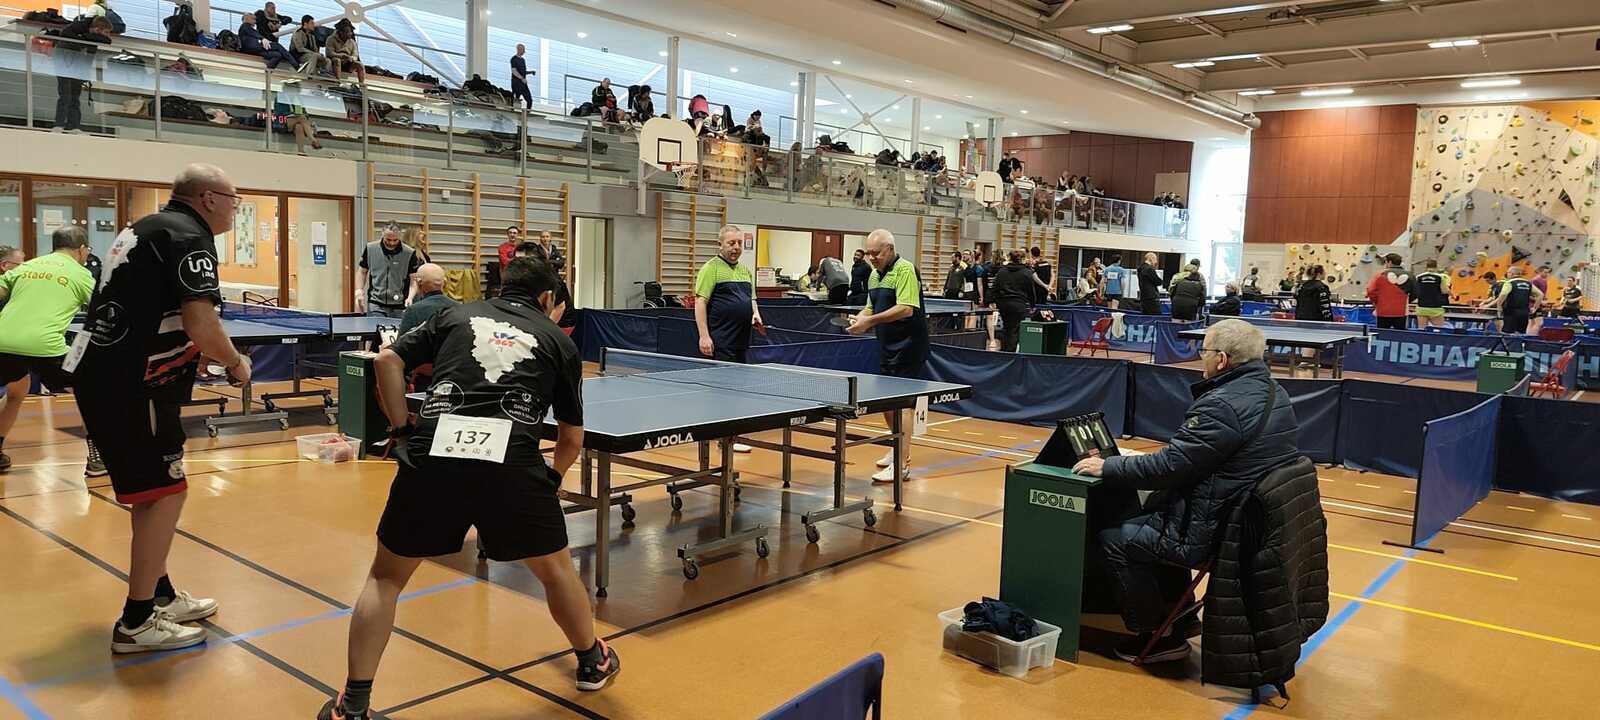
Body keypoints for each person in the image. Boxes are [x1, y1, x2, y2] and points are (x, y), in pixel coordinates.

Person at [319, 257, 618, 720]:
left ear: (503, 287)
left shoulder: (454, 315)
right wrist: (551, 481)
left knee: (385, 579)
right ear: (547, 299)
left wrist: (401, 430)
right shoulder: (558, 340)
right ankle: (592, 660)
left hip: (434, 453)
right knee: (556, 571)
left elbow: (387, 360)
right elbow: (571, 438)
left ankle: (353, 705)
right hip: (513, 465)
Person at [68, 163, 251, 654]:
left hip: (107, 373)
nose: (236, 208)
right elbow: (201, 323)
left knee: (154, 494)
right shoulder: (190, 237)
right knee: (166, 494)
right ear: (208, 198)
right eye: (234, 198)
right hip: (135, 383)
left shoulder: (147, 226)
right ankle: (137, 619)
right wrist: (236, 363)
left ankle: (160, 595)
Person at [1073, 319, 1299, 663]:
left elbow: (1169, 467)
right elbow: (1192, 458)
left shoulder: (1222, 404)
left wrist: (1109, 466)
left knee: (1116, 538)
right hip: (1248, 519)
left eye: (1204, 350)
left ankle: (1157, 635)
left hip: (1218, 528)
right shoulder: (1273, 391)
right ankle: (1180, 614)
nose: (1201, 356)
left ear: (1221, 359)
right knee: (1151, 516)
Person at [0, 227, 94, 474]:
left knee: (17, 390)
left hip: (3, 340)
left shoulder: (26, 267)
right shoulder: (81, 274)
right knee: (92, 391)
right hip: (45, 346)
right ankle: (99, 457)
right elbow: (102, 309)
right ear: (82, 249)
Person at [847, 230, 927, 483]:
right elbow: (871, 307)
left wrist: (870, 322)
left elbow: (905, 309)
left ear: (890, 249)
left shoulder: (905, 270)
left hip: (909, 346)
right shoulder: (874, 275)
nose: (872, 258)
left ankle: (902, 463)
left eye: (876, 253)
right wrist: (861, 318)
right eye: (869, 253)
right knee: (887, 402)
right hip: (886, 345)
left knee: (903, 404)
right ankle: (897, 447)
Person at [693, 225, 763, 363]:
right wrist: (704, 337)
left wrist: (755, 313)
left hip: (742, 341)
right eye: (731, 243)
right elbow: (700, 302)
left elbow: (752, 299)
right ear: (720, 245)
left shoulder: (745, 270)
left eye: (739, 243)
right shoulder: (710, 268)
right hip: (721, 342)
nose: (736, 247)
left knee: (740, 376)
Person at [53, 15, 112, 133]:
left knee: (75, 97)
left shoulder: (94, 38)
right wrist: (86, 38)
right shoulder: (80, 26)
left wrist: (85, 73)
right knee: (65, 95)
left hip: (77, 64)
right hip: (64, 61)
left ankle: (74, 125)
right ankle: (59, 124)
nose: (107, 35)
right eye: (106, 32)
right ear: (97, 29)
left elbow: (91, 55)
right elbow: (65, 34)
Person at [358, 225, 422, 319]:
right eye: (388, 240)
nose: (391, 243)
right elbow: (362, 271)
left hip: (399, 305)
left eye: (395, 240)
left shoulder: (409, 252)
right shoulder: (370, 248)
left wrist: (410, 297)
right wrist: (359, 290)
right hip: (376, 303)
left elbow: (414, 279)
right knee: (376, 327)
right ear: (382, 235)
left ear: (400, 237)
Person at [992, 250, 1050, 352]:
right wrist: (1032, 305)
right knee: (1015, 329)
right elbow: (1031, 291)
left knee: (1007, 327)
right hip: (1019, 304)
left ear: (1010, 258)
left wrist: (996, 302)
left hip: (1004, 304)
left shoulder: (1002, 271)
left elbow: (995, 288)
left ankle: (1005, 351)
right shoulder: (1026, 272)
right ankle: (1010, 352)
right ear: (1022, 259)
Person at [397, 263, 455, 336]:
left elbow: (402, 341)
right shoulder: (458, 307)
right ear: (444, 283)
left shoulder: (414, 311)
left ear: (419, 283)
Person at [1366, 253, 1412, 330]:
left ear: (1389, 262)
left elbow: (1370, 291)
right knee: (1400, 335)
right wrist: (1405, 301)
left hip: (1383, 311)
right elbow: (1415, 292)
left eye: (1385, 262)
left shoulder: (1379, 274)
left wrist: (1376, 302)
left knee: (1382, 334)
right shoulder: (1410, 275)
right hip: (1401, 312)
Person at [1492, 265, 1543, 335]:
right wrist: (1535, 307)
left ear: (1512, 273)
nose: (1507, 274)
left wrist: (1499, 306)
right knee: (1520, 333)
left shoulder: (1509, 282)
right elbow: (1540, 294)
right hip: (1524, 312)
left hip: (1511, 312)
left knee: (1508, 334)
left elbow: (1503, 294)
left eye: (1508, 272)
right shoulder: (1528, 283)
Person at [1413, 259, 1451, 329]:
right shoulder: (1440, 277)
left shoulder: (1418, 277)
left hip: (1422, 307)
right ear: (1436, 267)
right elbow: (1445, 291)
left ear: (1426, 267)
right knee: (1439, 330)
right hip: (1435, 307)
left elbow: (1416, 290)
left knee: (1422, 330)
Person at [325, 18, 363, 83]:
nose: (350, 33)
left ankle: (361, 85)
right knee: (337, 60)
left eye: (351, 31)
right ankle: (337, 82)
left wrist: (351, 58)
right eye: (348, 32)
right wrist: (341, 56)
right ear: (341, 32)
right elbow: (329, 53)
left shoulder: (352, 42)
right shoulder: (331, 39)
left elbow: (355, 55)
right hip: (334, 61)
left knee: (360, 65)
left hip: (348, 62)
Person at [510, 43, 533, 108]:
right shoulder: (514, 59)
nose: (524, 51)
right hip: (516, 83)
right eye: (523, 50)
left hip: (523, 84)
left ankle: (527, 112)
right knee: (516, 99)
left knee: (529, 100)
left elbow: (523, 72)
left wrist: (530, 72)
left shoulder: (523, 60)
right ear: (519, 49)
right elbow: (514, 71)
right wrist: (522, 78)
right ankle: (513, 110)